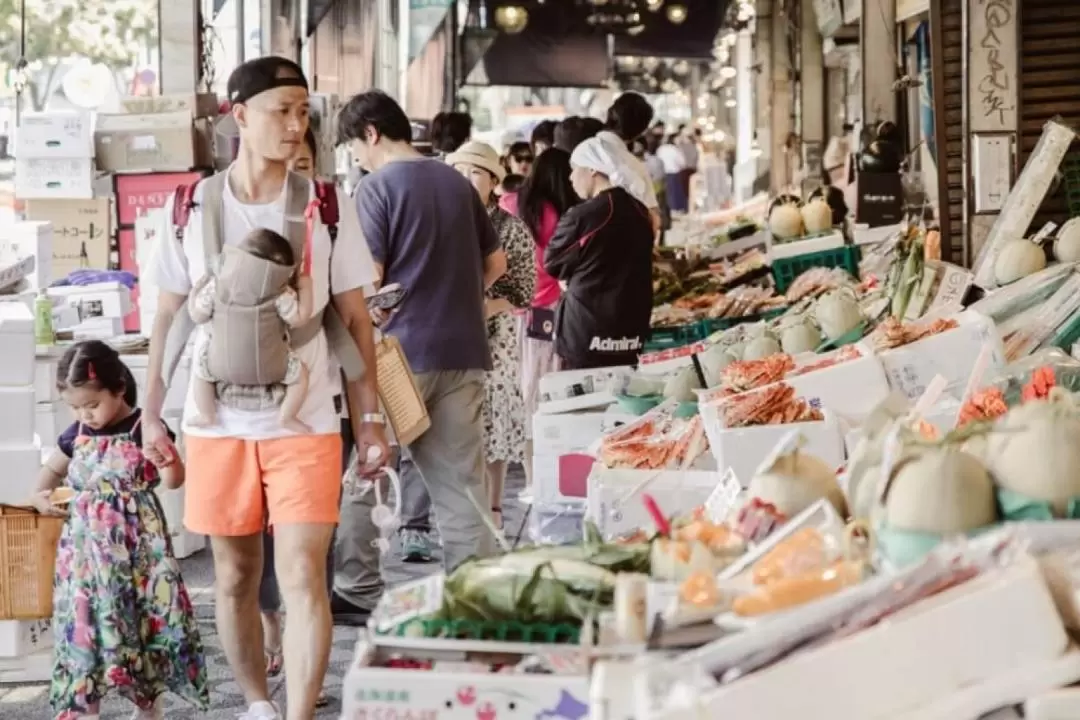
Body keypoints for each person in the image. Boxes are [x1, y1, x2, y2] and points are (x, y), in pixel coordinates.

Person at [145, 57, 387, 720]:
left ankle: (301, 713)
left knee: (307, 575)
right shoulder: (188, 207)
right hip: (215, 424)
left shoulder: (329, 207)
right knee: (234, 577)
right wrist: (151, 414)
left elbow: (357, 319)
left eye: (303, 111)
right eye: (280, 109)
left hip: (306, 417)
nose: (295, 123)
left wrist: (369, 422)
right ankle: (256, 704)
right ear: (239, 114)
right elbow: (165, 315)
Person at [335, 90, 506, 603]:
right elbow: (495, 266)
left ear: (370, 133)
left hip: (398, 356)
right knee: (461, 486)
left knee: (372, 470)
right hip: (465, 351)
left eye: (354, 147)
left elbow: (369, 280)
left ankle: (357, 586)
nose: (357, 158)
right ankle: (475, 595)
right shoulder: (457, 182)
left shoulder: (376, 188)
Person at [29, 340, 208, 720]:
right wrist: (40, 496)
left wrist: (167, 458)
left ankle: (147, 704)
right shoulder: (74, 434)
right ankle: (83, 707)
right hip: (84, 559)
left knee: (139, 623)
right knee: (83, 625)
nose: (85, 415)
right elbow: (49, 474)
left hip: (137, 552)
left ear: (120, 389)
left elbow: (174, 480)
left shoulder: (146, 428)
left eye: (92, 405)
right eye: (76, 407)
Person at [255, 129, 337, 712]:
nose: (296, 169)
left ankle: (304, 690)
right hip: (236, 422)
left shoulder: (329, 212)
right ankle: (268, 641)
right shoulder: (218, 210)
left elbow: (349, 310)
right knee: (248, 561)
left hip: (314, 412)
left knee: (306, 560)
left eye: (305, 161)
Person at [448, 141, 535, 528]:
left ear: (494, 181)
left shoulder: (510, 228)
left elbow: (524, 291)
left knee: (495, 418)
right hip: (450, 335)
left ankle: (494, 508)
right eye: (461, 171)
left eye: (477, 173)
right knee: (458, 419)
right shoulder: (444, 220)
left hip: (495, 338)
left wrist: (489, 306)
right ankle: (463, 507)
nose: (467, 180)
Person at [500, 147, 578, 493]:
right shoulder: (563, 214)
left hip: (508, 315)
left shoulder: (509, 204)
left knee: (520, 396)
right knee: (546, 397)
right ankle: (552, 478)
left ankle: (531, 479)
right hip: (548, 313)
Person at [189, 227, 314, 431]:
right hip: (272, 366)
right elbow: (299, 319)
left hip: (219, 365)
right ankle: (287, 416)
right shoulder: (281, 293)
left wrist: (194, 293)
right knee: (301, 376)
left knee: (200, 371)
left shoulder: (217, 286)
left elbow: (197, 315)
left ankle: (206, 413)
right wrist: (306, 287)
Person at [545, 137, 653, 369]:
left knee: (585, 399)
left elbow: (553, 262)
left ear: (593, 169)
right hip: (631, 330)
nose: (570, 177)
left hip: (588, 331)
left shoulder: (584, 215)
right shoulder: (640, 210)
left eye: (574, 170)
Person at [596, 91, 661, 233]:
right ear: (641, 131)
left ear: (610, 113)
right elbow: (653, 218)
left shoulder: (583, 151)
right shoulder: (635, 166)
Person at [657, 133, 689, 212]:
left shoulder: (660, 149)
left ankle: (669, 210)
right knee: (676, 192)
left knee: (667, 193)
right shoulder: (674, 149)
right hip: (674, 173)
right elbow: (682, 162)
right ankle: (677, 209)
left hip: (663, 174)